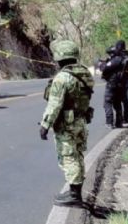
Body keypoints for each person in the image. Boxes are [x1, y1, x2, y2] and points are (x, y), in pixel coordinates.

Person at [40, 40, 94, 206]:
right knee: (77, 155)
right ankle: (74, 192)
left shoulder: (62, 77)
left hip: (67, 124)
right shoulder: (85, 74)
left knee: (69, 157)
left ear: (59, 57)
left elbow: (54, 104)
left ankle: (74, 195)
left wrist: (45, 125)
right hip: (81, 121)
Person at [101, 41, 128, 128]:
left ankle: (109, 122)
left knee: (107, 102)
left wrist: (101, 65)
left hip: (113, 83)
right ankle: (120, 122)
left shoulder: (117, 58)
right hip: (123, 83)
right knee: (118, 102)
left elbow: (106, 68)